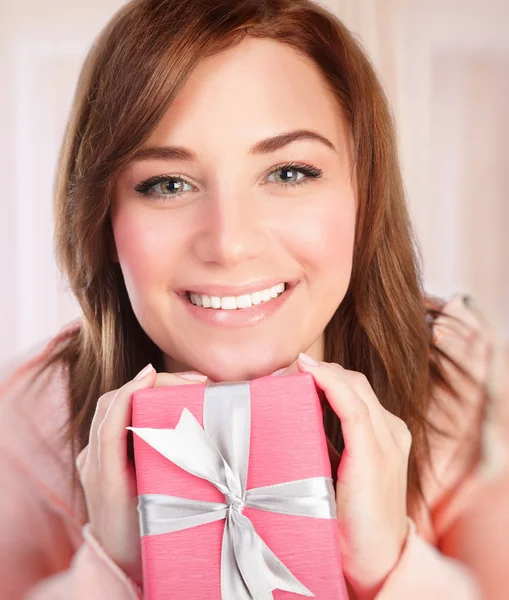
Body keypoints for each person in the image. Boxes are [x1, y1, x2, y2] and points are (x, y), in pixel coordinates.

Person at [0, 0, 504, 598]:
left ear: (363, 192)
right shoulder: (30, 425)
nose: (230, 244)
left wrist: (386, 564)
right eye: (167, 184)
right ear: (103, 220)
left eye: (288, 172)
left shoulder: (463, 384)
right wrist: (113, 572)